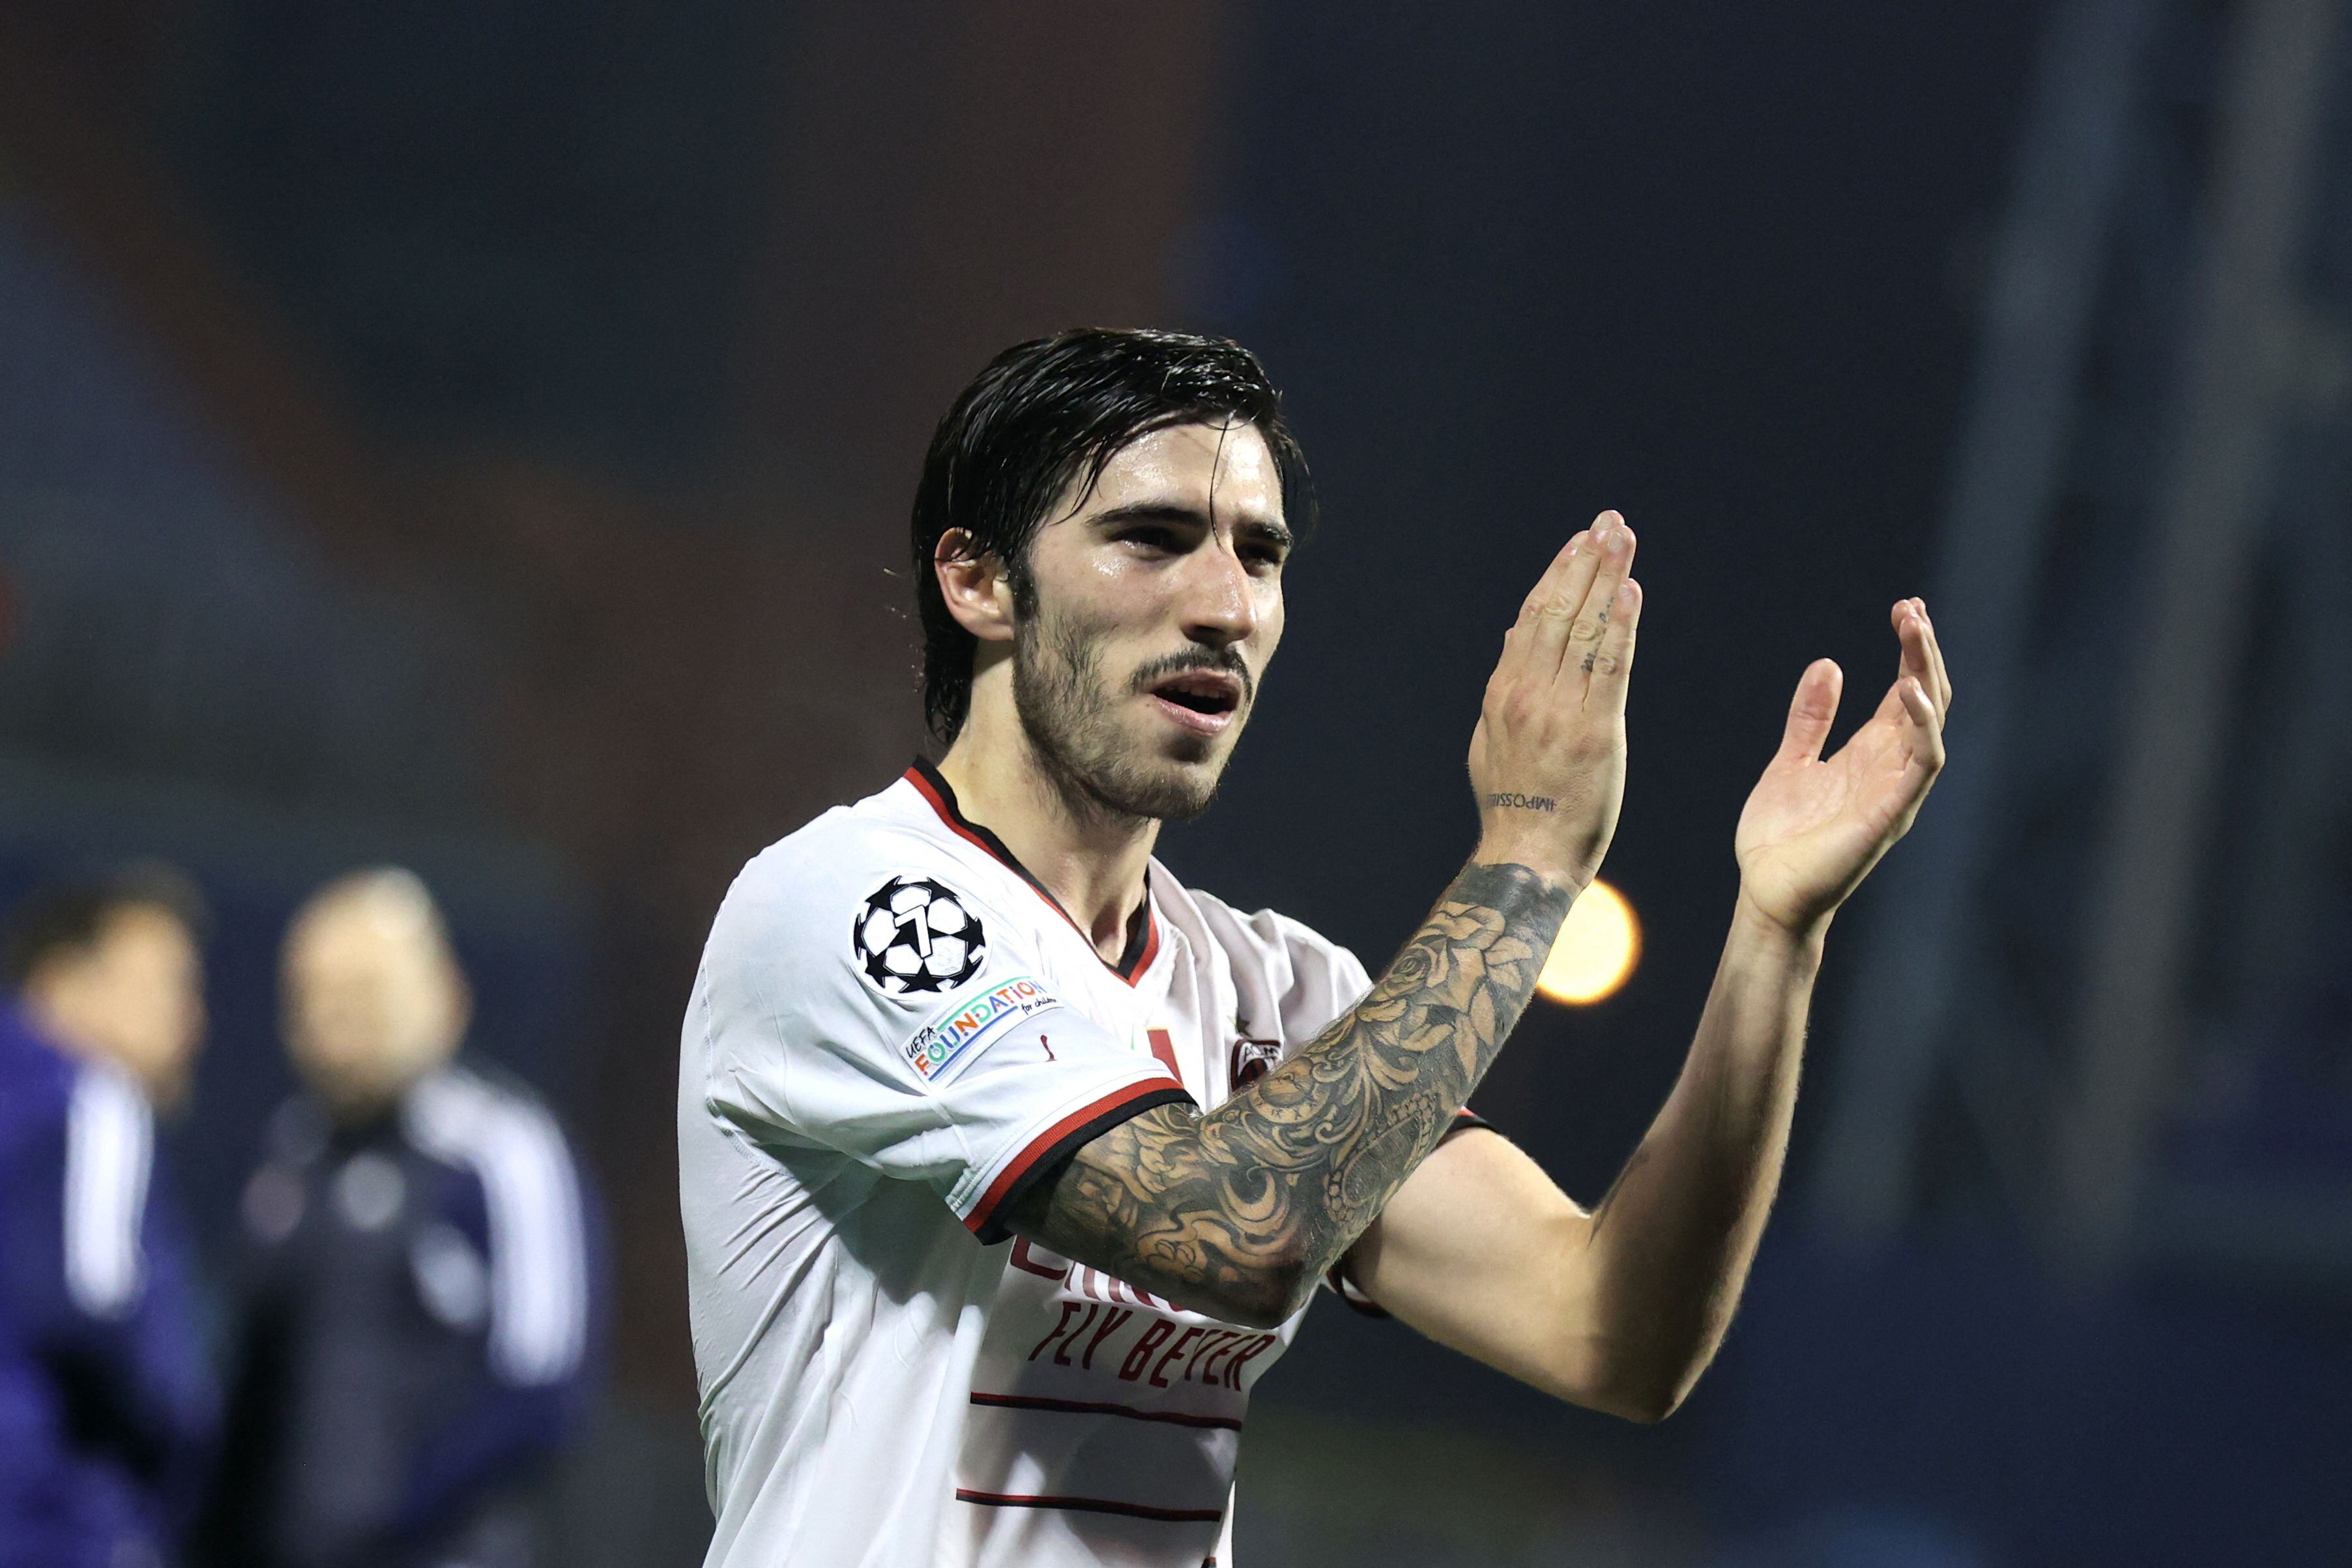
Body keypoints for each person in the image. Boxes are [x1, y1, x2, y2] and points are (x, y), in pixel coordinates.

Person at [678, 328, 1953, 1567]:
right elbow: (1238, 1236)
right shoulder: (851, 906)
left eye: (1259, 554)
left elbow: (1608, 1333)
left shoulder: (1273, 992)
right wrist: (1526, 858)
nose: (1225, 605)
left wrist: (1774, 936)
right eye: (1150, 538)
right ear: (979, 582)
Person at [200, 869, 601, 1568]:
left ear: (445, 994)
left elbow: (542, 1387)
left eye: (365, 991)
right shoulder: (293, 1152)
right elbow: (250, 1392)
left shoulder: (502, 1150)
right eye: (315, 992)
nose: (335, 1018)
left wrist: (391, 1520)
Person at [0, 867, 216, 1568]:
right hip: (50, 1523)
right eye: (167, 986)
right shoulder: (95, 1098)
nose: (191, 1021)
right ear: (63, 983)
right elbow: (99, 1309)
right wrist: (189, 1464)